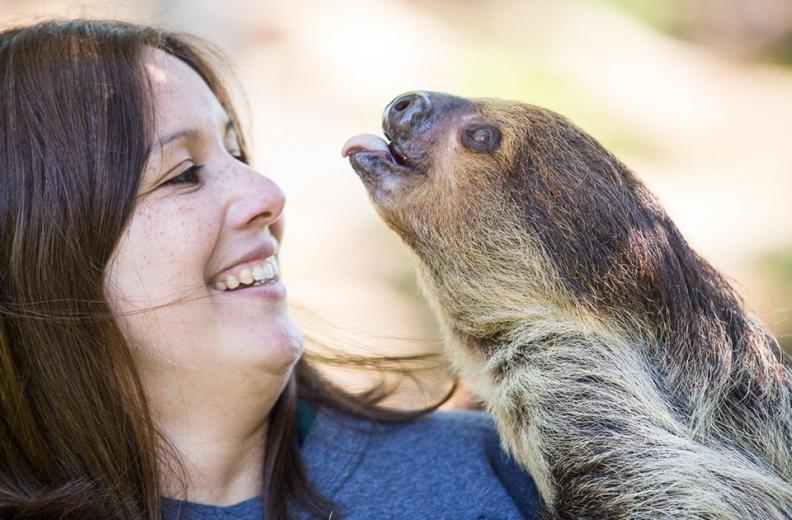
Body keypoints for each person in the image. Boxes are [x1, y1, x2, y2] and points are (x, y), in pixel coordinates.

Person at [0, 19, 542, 519]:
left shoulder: (510, 478)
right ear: (42, 256)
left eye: (238, 153)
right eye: (184, 174)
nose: (268, 194)